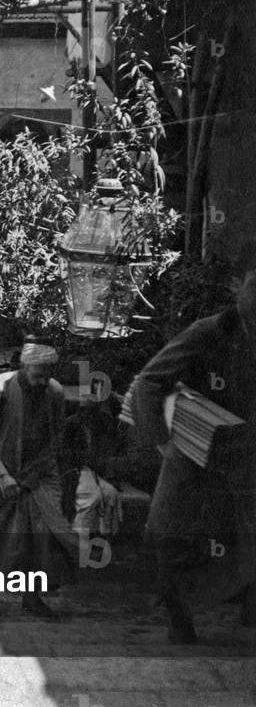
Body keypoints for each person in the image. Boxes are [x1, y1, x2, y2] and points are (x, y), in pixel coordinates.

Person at [129, 269, 256, 644]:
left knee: (244, 538)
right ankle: (178, 616)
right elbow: (149, 382)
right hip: (193, 446)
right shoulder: (209, 332)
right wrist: (163, 442)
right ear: (240, 288)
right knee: (169, 534)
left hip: (244, 453)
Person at [0, 340, 79, 618]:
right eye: (37, 376)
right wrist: (2, 477)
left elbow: (55, 441)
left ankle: (32, 597)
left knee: (35, 537)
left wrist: (30, 479)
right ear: (22, 368)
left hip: (34, 475)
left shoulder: (54, 392)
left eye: (47, 376)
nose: (42, 382)